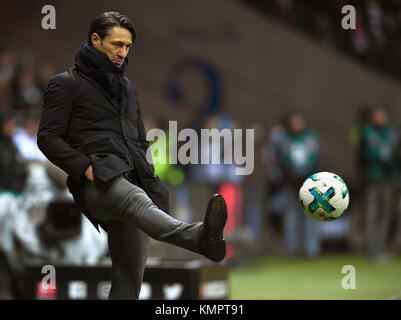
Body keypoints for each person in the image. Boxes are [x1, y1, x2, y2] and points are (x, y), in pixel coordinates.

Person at [37, 12, 227, 300]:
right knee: (135, 199)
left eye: (127, 47)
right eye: (117, 44)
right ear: (96, 40)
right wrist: (85, 167)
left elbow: (139, 145)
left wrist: (157, 201)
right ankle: (200, 237)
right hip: (98, 185)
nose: (123, 52)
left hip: (133, 183)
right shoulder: (65, 84)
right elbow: (47, 138)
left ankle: (193, 233)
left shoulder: (127, 89)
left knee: (129, 278)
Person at [274, 113, 321, 258]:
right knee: (290, 217)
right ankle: (291, 249)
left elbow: (318, 158)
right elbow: (280, 160)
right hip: (290, 184)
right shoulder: (284, 139)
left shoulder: (311, 137)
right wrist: (291, 176)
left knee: (311, 216)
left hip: (309, 183)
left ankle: (312, 249)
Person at [359, 107, 398, 260]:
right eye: (377, 116)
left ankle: (382, 246)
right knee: (372, 213)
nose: (380, 119)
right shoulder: (366, 132)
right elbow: (360, 156)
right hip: (372, 179)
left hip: (389, 179)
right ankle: (372, 249)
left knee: (386, 214)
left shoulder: (392, 133)